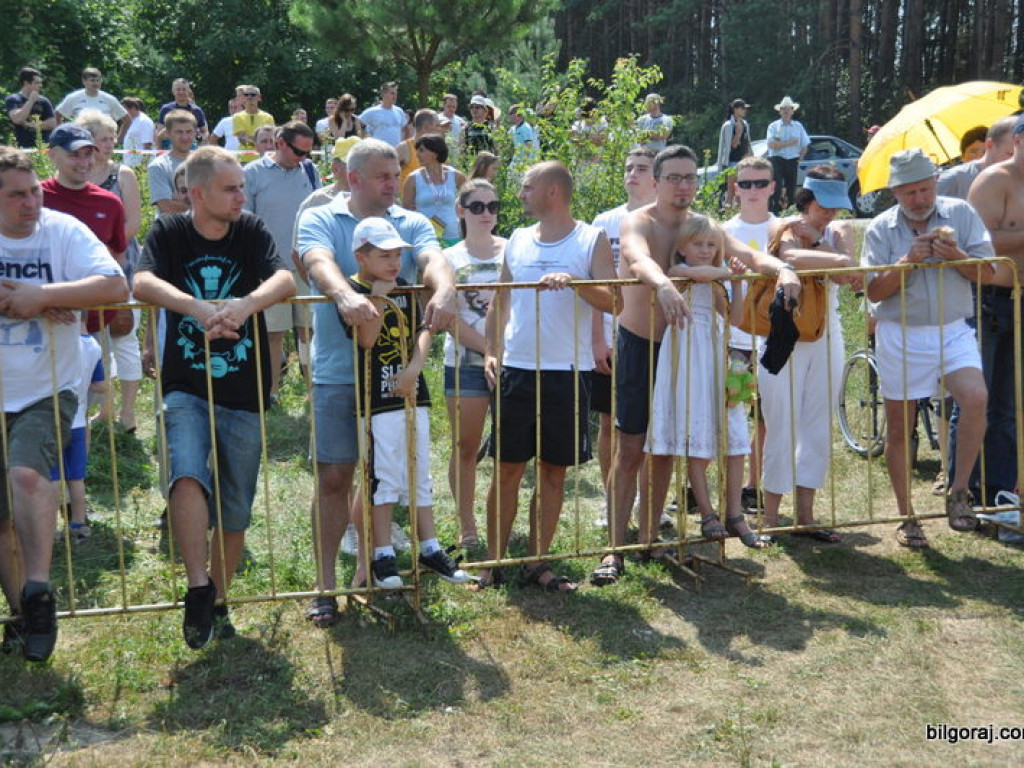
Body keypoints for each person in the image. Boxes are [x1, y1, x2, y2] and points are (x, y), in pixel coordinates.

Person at [598, 145, 800, 583]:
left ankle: (649, 538)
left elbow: (749, 257)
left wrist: (783, 271)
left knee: (666, 448)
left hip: (689, 352)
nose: (684, 185)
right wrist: (665, 286)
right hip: (642, 344)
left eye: (690, 177)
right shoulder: (639, 220)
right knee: (631, 448)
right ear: (656, 181)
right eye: (674, 177)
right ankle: (615, 549)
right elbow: (637, 257)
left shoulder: (700, 225)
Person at [133, 146, 297, 649]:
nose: (241, 197)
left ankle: (219, 601)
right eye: (231, 189)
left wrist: (243, 306)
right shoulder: (170, 232)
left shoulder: (249, 230)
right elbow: (141, 281)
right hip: (186, 384)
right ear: (196, 194)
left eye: (242, 188)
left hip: (244, 390)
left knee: (236, 506)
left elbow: (286, 277)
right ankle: (199, 588)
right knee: (185, 474)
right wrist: (200, 310)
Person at [296, 138, 457, 625]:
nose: (394, 182)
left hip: (391, 380)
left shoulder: (409, 223)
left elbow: (433, 259)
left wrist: (446, 289)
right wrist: (345, 295)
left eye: (396, 173)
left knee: (385, 475)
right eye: (384, 175)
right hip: (338, 373)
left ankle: (371, 565)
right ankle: (325, 585)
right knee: (334, 476)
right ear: (354, 179)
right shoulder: (321, 216)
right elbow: (317, 261)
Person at [0, 145, 128, 662]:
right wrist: (32, 300)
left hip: (47, 384)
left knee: (28, 476)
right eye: (16, 196)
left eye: (33, 191)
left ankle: (38, 591)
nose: (31, 203)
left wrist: (46, 295)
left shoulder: (63, 230)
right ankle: (20, 615)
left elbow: (115, 285)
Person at [480, 161, 616, 592]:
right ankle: (492, 563)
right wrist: (490, 349)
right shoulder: (516, 240)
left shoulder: (589, 238)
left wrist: (576, 282)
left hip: (566, 373)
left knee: (553, 472)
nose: (519, 194)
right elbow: (499, 300)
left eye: (526, 187)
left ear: (553, 191)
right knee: (506, 470)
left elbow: (615, 300)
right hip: (517, 370)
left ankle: (538, 563)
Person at [863, 148, 994, 548]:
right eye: (908, 193)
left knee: (975, 398)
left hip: (953, 328)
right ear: (894, 193)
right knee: (899, 429)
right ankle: (907, 516)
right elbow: (872, 291)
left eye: (924, 189)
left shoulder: (961, 213)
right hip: (901, 333)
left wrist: (955, 255)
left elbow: (988, 272)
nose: (918, 200)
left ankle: (959, 492)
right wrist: (906, 262)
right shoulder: (880, 228)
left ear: (936, 183)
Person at [342, 217, 470, 590]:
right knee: (383, 478)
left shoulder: (407, 286)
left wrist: (414, 369)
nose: (394, 262)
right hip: (375, 400)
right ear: (361, 257)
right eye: (384, 255)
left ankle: (429, 548)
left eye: (398, 254)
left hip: (413, 393)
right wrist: (380, 295)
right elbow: (367, 339)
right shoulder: (352, 292)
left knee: (419, 470)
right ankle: (382, 554)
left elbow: (423, 330)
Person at [644, 216, 768, 554]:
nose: (705, 250)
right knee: (694, 432)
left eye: (712, 245)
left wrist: (738, 283)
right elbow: (697, 273)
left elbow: (737, 318)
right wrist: (725, 271)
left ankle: (734, 512)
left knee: (734, 435)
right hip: (685, 353)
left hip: (713, 352)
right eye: (699, 244)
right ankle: (707, 510)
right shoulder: (676, 273)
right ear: (683, 247)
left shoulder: (717, 281)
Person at [758, 167, 859, 543]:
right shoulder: (782, 226)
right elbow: (791, 260)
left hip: (827, 333)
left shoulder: (839, 231)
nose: (831, 213)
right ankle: (770, 516)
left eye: (836, 206)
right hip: (786, 333)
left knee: (818, 423)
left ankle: (805, 516)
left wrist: (817, 241)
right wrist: (833, 259)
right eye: (824, 205)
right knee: (780, 419)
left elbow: (847, 274)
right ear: (806, 199)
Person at [590, 147, 657, 521]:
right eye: (628, 167)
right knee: (608, 422)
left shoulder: (663, 219)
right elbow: (595, 283)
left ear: (656, 176)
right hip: (609, 332)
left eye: (642, 168)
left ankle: (649, 501)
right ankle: (611, 498)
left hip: (652, 334)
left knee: (651, 424)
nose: (632, 173)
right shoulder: (604, 220)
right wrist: (597, 339)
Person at [961, 114, 1024, 505]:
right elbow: (977, 243)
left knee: (1010, 404)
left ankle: (1001, 490)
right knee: (976, 399)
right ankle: (964, 489)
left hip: (1019, 302)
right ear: (1018, 141)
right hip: (988, 302)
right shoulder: (994, 181)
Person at [442, 179, 506, 550]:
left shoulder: (513, 251)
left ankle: (502, 518)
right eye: (478, 206)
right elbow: (447, 317)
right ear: (461, 211)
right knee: (466, 446)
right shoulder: (449, 258)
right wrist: (488, 349)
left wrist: (500, 351)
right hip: (464, 360)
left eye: (493, 206)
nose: (487, 214)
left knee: (510, 449)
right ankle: (467, 526)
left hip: (513, 361)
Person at [76, 110, 144, 432]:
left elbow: (134, 223)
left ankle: (128, 413)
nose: (110, 143)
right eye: (104, 138)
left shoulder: (124, 174)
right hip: (83, 273)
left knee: (124, 336)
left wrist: (109, 251)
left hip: (122, 266)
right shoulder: (79, 176)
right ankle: (104, 410)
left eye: (112, 137)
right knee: (95, 342)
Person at [243, 120, 320, 402]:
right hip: (269, 267)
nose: (304, 158)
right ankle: (271, 391)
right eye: (299, 152)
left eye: (308, 153)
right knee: (273, 332)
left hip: (305, 264)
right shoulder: (252, 173)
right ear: (280, 144)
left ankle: (314, 389)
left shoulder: (309, 171)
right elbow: (243, 220)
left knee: (309, 329)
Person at [722, 156, 777, 511]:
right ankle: (720, 487)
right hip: (735, 339)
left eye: (760, 183)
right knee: (730, 410)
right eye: (746, 183)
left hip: (775, 340)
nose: (753, 190)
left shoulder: (783, 229)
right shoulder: (722, 231)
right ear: (736, 188)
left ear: (773, 187)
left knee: (768, 415)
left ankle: (754, 486)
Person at [41, 125, 128, 268]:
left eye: (88, 154)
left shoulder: (110, 203)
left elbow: (118, 254)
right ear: (52, 155)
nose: (83, 162)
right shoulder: (35, 197)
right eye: (74, 155)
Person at [51, 328, 105, 543]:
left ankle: (52, 528)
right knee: (76, 478)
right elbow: (100, 386)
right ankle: (79, 525)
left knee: (52, 478)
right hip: (79, 422)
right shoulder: (92, 345)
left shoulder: (53, 343)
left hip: (51, 421)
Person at [402, 134, 466, 247]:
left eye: (422, 151)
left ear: (435, 153)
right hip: (426, 238)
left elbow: (469, 201)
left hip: (453, 236)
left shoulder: (455, 175)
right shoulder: (413, 179)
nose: (417, 155)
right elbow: (406, 212)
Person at [937, 117, 1016, 200]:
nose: (979, 156)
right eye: (973, 151)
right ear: (963, 157)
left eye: (985, 151)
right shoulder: (953, 178)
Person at [149, 109, 197, 218]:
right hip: (173, 230)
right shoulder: (158, 166)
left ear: (195, 133)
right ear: (168, 134)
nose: (185, 137)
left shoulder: (207, 164)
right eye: (179, 132)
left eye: (189, 131)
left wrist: (177, 199)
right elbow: (166, 207)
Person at [766, 96, 810, 213]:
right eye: (783, 109)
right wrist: (789, 143)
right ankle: (774, 212)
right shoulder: (773, 126)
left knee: (791, 188)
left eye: (788, 108)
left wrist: (801, 157)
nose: (786, 111)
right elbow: (771, 144)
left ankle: (790, 212)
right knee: (777, 187)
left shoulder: (798, 126)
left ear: (792, 111)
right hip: (777, 159)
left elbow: (805, 144)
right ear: (780, 111)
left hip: (792, 159)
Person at [55, 68, 128, 131]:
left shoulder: (109, 99)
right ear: (84, 81)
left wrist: (118, 139)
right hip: (80, 138)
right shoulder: (73, 97)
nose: (96, 83)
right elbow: (57, 114)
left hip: (103, 139)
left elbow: (127, 120)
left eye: (98, 80)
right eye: (92, 80)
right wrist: (63, 134)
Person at [6, 67, 56, 149]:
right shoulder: (14, 99)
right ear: (26, 83)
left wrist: (28, 124)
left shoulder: (44, 101)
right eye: (37, 83)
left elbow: (52, 124)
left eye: (40, 83)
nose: (41, 85)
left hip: (44, 147)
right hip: (23, 147)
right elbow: (18, 119)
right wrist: (30, 101)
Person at [716, 99, 752, 206]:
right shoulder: (728, 125)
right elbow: (731, 146)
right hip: (731, 162)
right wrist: (738, 133)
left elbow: (748, 142)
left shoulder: (745, 124)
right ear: (735, 109)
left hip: (743, 162)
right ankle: (727, 215)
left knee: (741, 193)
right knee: (731, 192)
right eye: (742, 108)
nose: (745, 110)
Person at [397, 109, 440, 188]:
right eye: (437, 125)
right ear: (427, 127)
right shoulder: (404, 148)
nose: (439, 129)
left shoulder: (436, 150)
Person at [157, 78, 208, 143]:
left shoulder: (196, 110)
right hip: (170, 148)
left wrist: (200, 140)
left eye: (184, 89)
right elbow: (158, 134)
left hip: (191, 148)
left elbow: (205, 132)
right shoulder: (166, 109)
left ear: (188, 91)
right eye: (178, 89)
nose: (181, 92)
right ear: (173, 91)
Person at [359, 83, 407, 147]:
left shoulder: (399, 111)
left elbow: (405, 129)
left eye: (396, 93)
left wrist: (402, 144)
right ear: (383, 94)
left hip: (396, 152)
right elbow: (357, 122)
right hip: (379, 152)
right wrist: (365, 139)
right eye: (392, 93)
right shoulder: (373, 111)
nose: (395, 96)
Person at [232, 86, 274, 150]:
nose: (249, 97)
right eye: (246, 95)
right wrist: (261, 141)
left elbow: (270, 138)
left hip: (262, 155)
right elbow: (242, 139)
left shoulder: (268, 117)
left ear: (259, 97)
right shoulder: (237, 117)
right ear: (243, 98)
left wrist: (250, 138)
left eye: (253, 94)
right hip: (244, 157)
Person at [120, 97, 154, 166]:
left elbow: (147, 145)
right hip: (131, 163)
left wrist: (143, 165)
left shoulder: (144, 121)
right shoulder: (133, 121)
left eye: (124, 109)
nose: (122, 113)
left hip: (140, 165)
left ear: (132, 108)